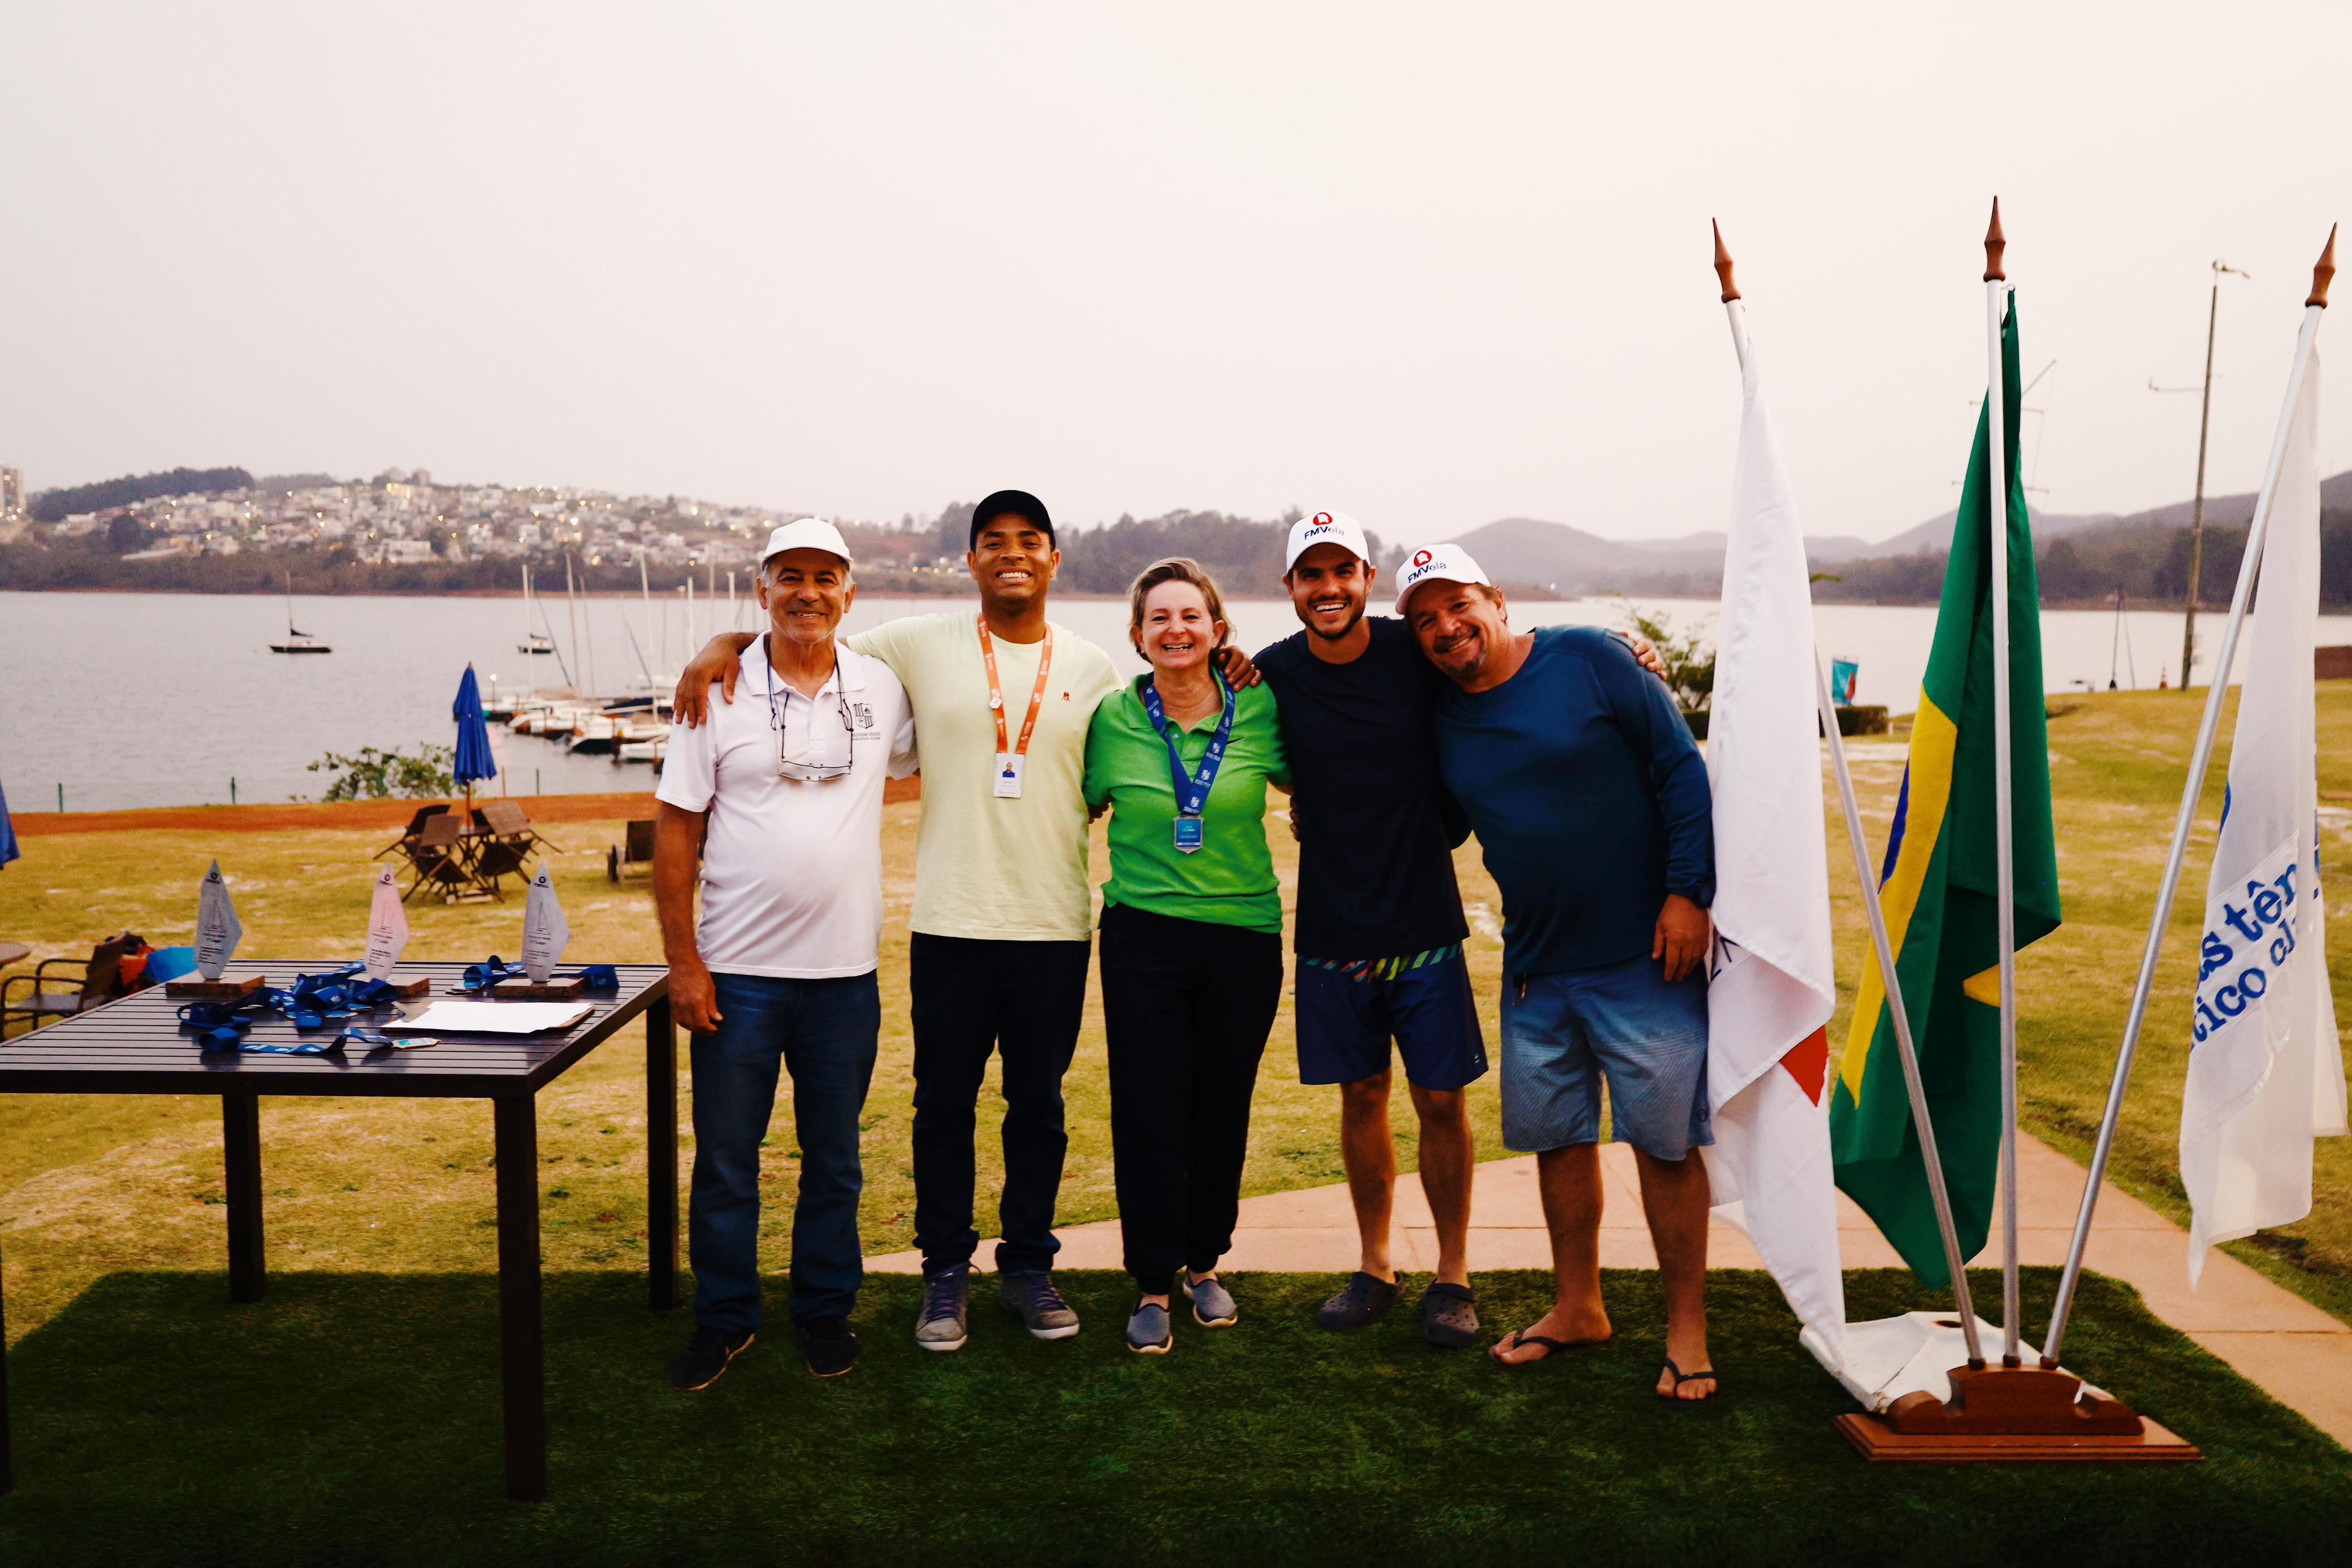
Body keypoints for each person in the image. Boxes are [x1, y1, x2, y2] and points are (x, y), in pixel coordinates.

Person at [672, 492, 1123, 1352]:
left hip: (1054, 925)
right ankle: (944, 1271)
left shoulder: (1094, 665)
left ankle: (1027, 1266)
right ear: (971, 559)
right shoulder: (914, 643)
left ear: (1054, 558)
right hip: (949, 923)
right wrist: (720, 643)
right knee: (941, 1107)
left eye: (1030, 540)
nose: (1013, 554)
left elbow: (1146, 731)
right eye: (994, 541)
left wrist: (1234, 663)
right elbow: (802, 636)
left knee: (1037, 1108)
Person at [1397, 544, 1721, 1402]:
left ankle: (1687, 1328)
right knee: (1559, 1139)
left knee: (1665, 1143)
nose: (1446, 627)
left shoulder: (1590, 657)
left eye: (1458, 605)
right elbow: (1440, 821)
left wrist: (1688, 893)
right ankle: (1579, 1306)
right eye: (1425, 620)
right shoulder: (1440, 713)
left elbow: (1679, 770)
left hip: (1645, 953)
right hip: (1537, 963)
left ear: (1497, 599)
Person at [652, 519, 917, 1388]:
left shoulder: (881, 685)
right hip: (737, 976)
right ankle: (725, 1318)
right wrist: (683, 963)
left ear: (851, 592)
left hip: (845, 977)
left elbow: (947, 721)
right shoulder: (718, 688)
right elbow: (676, 830)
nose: (809, 591)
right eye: (790, 576)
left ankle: (824, 1310)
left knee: (834, 1160)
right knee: (727, 1160)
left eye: (826, 577)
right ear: (761, 587)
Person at [1247, 512, 1486, 1347]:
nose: (1329, 588)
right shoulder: (1272, 672)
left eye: (1342, 570)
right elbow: (1203, 698)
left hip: (1424, 917)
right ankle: (1376, 1265)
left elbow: (1494, 657)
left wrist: (1622, 650)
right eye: (1311, 575)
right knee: (1362, 1095)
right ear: (1290, 588)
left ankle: (1452, 1274)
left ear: (1367, 578)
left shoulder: (1411, 649)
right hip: (1333, 924)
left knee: (1441, 1098)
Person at [1082, 558, 1290, 1354]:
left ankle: (1204, 1262)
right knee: (1148, 1108)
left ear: (1218, 629)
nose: (1176, 629)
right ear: (1138, 636)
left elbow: (1319, 773)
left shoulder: (1261, 705)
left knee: (1220, 1106)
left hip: (1244, 937)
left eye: (1191, 616)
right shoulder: (1110, 717)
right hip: (1144, 938)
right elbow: (1075, 800)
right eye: (1159, 618)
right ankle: (1150, 1280)